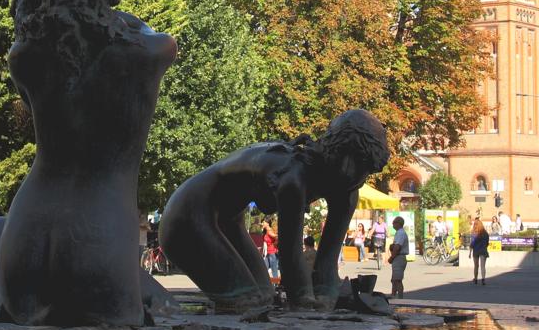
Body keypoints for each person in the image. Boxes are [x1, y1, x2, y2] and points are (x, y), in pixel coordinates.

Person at [0, 0, 178, 326]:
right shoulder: (148, 53)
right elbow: (140, 31)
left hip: (25, 236)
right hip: (98, 235)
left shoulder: (24, 56)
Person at [159, 109, 390, 311]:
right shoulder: (293, 178)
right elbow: (290, 257)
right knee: (244, 299)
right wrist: (306, 302)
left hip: (227, 221)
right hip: (186, 215)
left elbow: (327, 263)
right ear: (344, 161)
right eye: (363, 168)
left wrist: (327, 298)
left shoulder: (347, 189)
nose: (364, 178)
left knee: (265, 297)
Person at [387, 216, 409, 297]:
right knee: (394, 280)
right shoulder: (399, 233)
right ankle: (393, 295)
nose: (393, 224)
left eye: (394, 222)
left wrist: (392, 257)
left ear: (398, 224)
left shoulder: (400, 233)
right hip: (398, 257)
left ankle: (400, 298)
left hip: (399, 257)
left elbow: (397, 247)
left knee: (397, 280)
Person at [470, 218, 490, 285]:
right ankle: (483, 279)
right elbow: (487, 243)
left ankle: (475, 279)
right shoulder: (485, 233)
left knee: (476, 266)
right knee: (483, 266)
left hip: (476, 250)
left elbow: (472, 243)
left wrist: (470, 252)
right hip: (483, 250)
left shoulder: (474, 233)